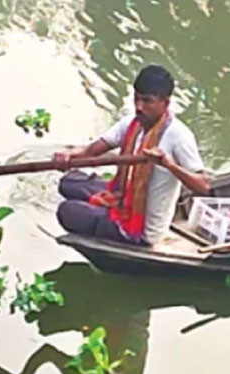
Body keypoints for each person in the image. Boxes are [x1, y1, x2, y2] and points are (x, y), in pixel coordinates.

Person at [53, 65, 210, 245]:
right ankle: (106, 208)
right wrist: (69, 155)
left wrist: (168, 164)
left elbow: (203, 185)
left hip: (144, 227)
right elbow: (92, 151)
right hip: (124, 195)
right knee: (69, 182)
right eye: (136, 99)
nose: (139, 107)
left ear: (165, 103)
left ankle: (112, 224)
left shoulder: (179, 136)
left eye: (147, 101)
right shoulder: (133, 123)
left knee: (67, 211)